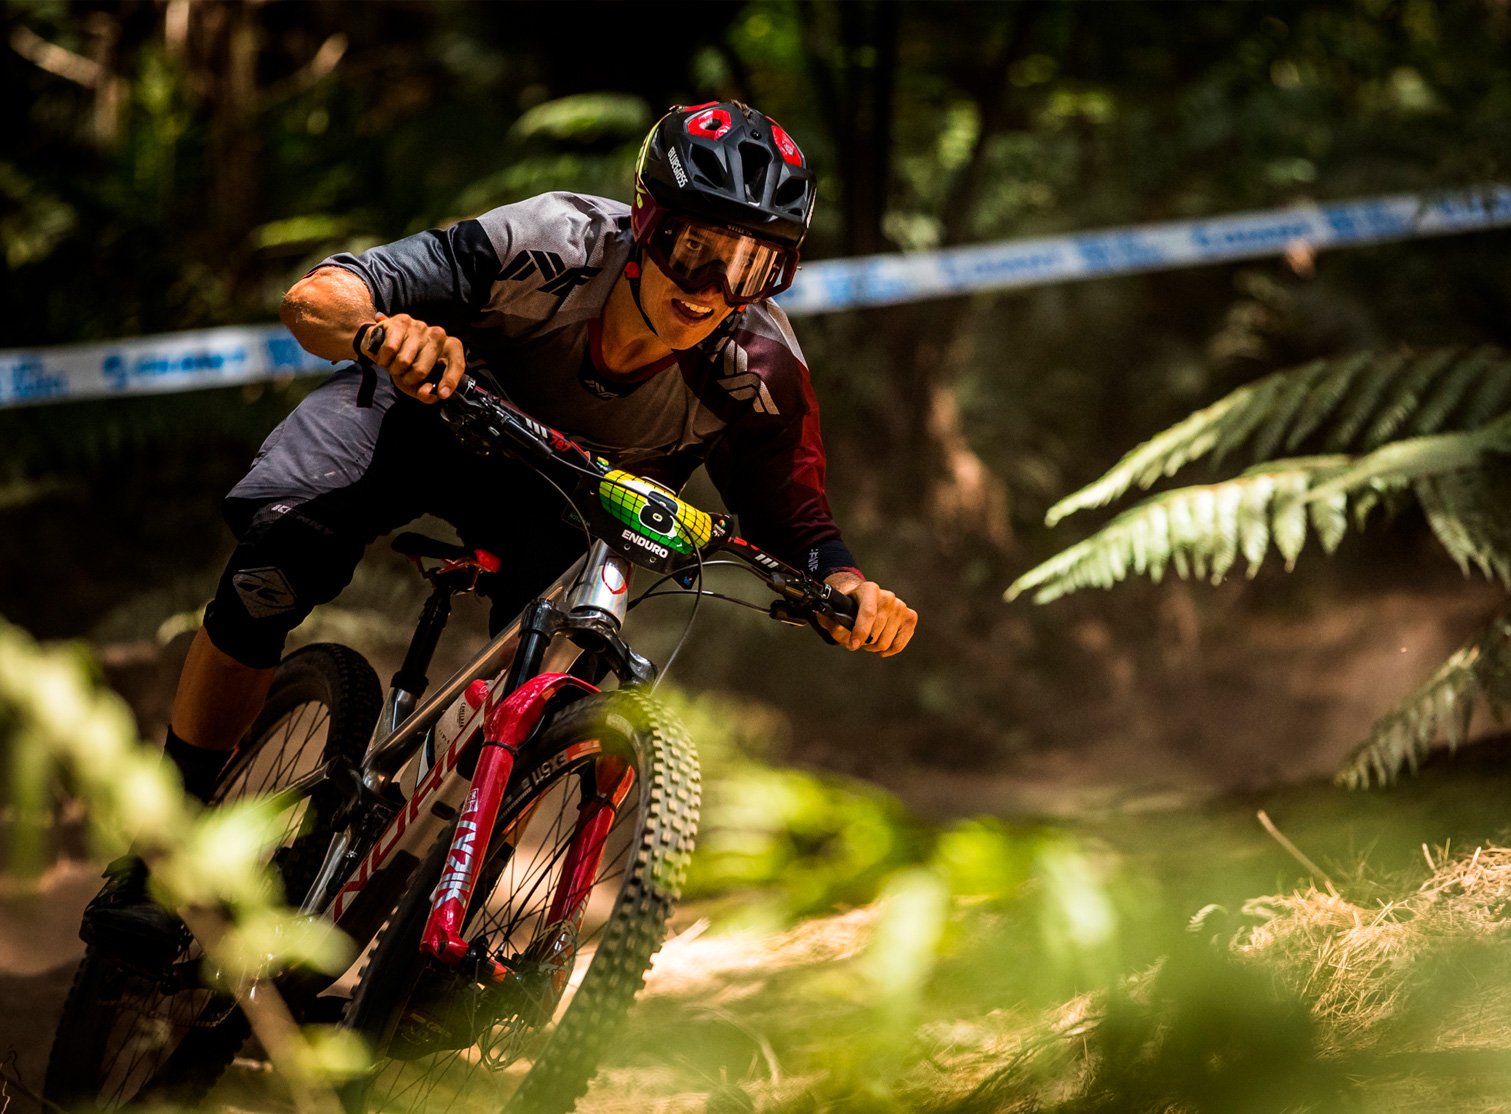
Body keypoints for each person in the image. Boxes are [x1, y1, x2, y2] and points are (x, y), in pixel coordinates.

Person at [84, 100, 915, 947]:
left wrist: (846, 588)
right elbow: (318, 297)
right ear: (647, 224)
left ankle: (428, 932)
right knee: (271, 572)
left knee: (560, 695)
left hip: (566, 503)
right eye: (696, 251)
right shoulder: (552, 242)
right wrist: (383, 333)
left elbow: (797, 518)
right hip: (424, 425)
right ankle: (161, 854)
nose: (714, 292)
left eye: (754, 267)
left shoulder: (761, 366)